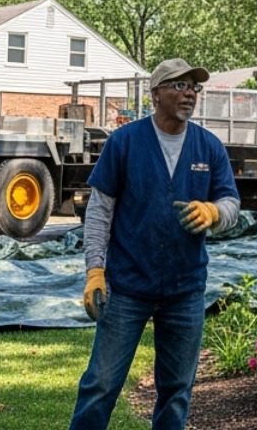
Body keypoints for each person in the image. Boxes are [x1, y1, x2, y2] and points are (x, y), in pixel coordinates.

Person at [69, 59, 241, 430]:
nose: (189, 93)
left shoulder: (208, 147)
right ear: (156, 94)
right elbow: (100, 212)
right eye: (178, 85)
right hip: (129, 288)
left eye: (193, 87)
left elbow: (232, 204)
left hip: (186, 290)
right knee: (100, 384)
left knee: (176, 390)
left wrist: (214, 211)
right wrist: (95, 271)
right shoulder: (125, 142)